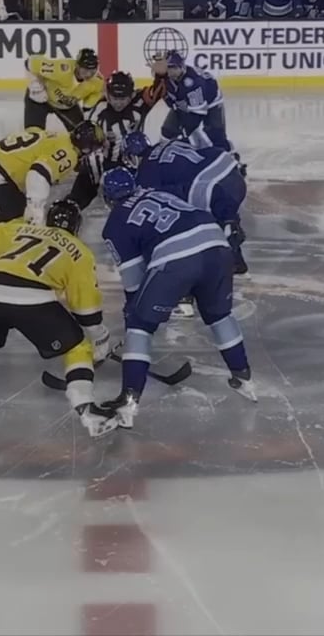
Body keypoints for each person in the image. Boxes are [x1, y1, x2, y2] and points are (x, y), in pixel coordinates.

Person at [0, 200, 115, 437]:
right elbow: (85, 309)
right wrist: (99, 336)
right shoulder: (80, 251)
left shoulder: (17, 228)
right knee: (77, 347)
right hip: (31, 297)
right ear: (77, 226)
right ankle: (88, 410)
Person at [96, 168, 255, 431]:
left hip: (177, 258)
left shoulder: (114, 224)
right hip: (217, 245)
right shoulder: (157, 192)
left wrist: (136, 310)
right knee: (219, 315)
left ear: (107, 197)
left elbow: (134, 281)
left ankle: (128, 400)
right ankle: (243, 376)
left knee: (139, 324)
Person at [122, 133, 249, 275]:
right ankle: (233, 244)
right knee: (224, 213)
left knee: (193, 221)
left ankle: (227, 238)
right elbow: (202, 142)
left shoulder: (145, 173)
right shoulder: (166, 144)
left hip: (211, 187)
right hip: (228, 168)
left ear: (133, 154)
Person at [65, 71, 166, 210]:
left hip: (133, 165)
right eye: (114, 98)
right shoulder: (99, 111)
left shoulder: (140, 101)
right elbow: (88, 141)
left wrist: (161, 73)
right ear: (107, 94)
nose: (118, 102)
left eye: (123, 98)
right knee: (86, 177)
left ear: (131, 95)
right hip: (104, 162)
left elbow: (159, 91)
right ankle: (72, 206)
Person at [0, 121, 105, 225]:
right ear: (86, 148)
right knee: (16, 229)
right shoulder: (69, 154)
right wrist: (35, 208)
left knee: (19, 225)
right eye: (93, 149)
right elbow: (38, 173)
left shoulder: (60, 136)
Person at [159, 50, 232, 152]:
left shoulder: (193, 83)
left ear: (181, 67)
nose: (170, 72)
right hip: (184, 104)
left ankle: (227, 153)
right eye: (168, 68)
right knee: (168, 130)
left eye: (173, 68)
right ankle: (164, 153)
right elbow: (171, 101)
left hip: (211, 102)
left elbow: (198, 113)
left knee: (216, 133)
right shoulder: (166, 79)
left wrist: (187, 132)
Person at [24, 48, 103, 131]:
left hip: (67, 106)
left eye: (93, 71)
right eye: (85, 70)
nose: (89, 74)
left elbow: (90, 104)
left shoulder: (97, 82)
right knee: (33, 134)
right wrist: (35, 83)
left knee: (83, 133)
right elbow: (29, 62)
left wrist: (87, 116)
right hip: (40, 100)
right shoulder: (62, 70)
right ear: (77, 65)